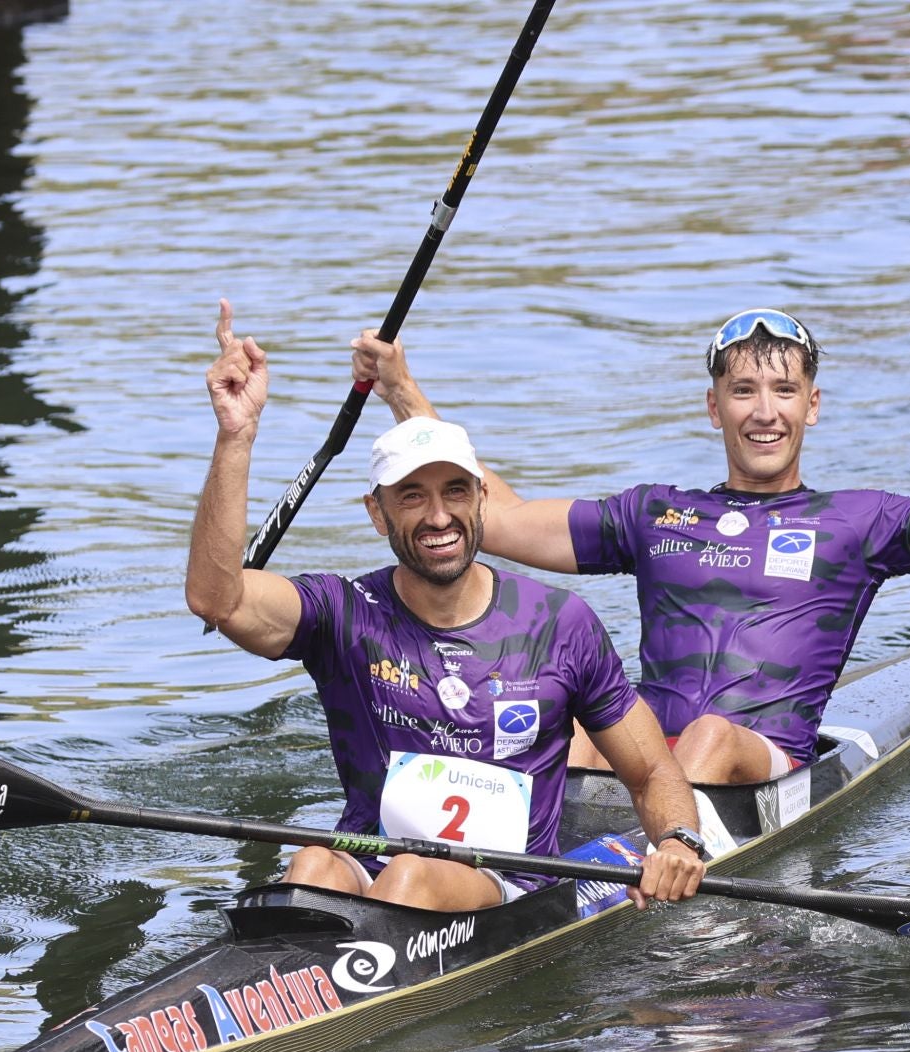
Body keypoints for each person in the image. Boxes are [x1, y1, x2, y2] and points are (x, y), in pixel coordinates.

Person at [350, 307, 910, 784]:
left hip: (760, 761)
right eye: (744, 392)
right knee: (563, 727)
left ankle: (607, 872)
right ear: (713, 408)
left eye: (782, 391)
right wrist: (404, 394)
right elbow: (493, 517)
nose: (763, 411)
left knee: (704, 735)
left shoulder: (860, 525)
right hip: (647, 754)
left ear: (811, 406)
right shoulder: (653, 515)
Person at [187, 300, 708, 912]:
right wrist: (235, 436)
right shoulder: (343, 612)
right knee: (311, 864)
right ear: (377, 512)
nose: (439, 517)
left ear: (481, 499)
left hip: (508, 886)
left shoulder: (560, 625)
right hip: (368, 864)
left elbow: (651, 773)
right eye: (412, 496)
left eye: (455, 491)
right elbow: (216, 598)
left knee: (412, 876)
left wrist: (678, 841)